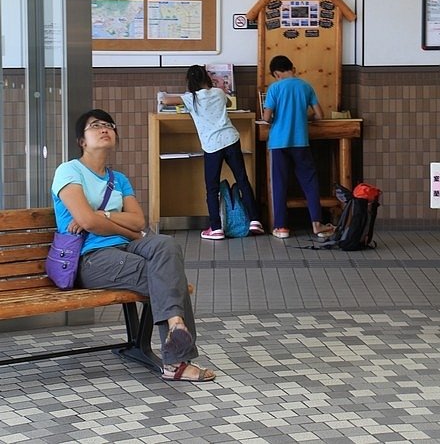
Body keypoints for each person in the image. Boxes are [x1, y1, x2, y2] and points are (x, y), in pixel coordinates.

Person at [51, 108, 216, 383]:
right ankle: (177, 361)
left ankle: (175, 326)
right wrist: (120, 227)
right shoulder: (69, 171)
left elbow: (139, 220)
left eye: (109, 125)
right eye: (95, 125)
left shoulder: (119, 180)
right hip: (92, 257)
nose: (104, 128)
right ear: (81, 140)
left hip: (126, 248)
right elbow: (88, 223)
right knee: (167, 274)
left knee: (166, 246)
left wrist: (103, 217)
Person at [160, 65, 264, 240]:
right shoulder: (218, 92)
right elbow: (229, 103)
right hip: (231, 139)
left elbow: (166, 102)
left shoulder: (191, 98)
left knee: (212, 187)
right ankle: (254, 220)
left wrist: (164, 95)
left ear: (190, 81)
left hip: (212, 146)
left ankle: (216, 228)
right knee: (242, 179)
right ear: (207, 77)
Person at [262, 55, 335, 240]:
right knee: (310, 181)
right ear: (292, 67)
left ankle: (281, 227)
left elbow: (266, 118)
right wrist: (305, 118)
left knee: (279, 183)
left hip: (278, 142)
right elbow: (319, 115)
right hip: (301, 141)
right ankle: (317, 225)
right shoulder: (305, 86)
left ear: (276, 73)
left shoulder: (274, 88)